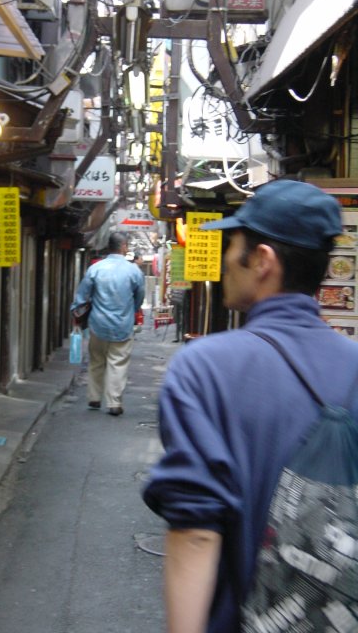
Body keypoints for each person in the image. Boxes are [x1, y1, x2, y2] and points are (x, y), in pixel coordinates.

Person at [142, 179, 358, 633]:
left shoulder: (204, 369)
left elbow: (197, 531)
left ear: (262, 261)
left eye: (232, 245)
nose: (224, 261)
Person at [71, 232, 145, 416]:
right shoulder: (133, 271)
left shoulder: (95, 268)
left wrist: (77, 313)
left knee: (96, 361)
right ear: (124, 247)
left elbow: (82, 296)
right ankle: (114, 402)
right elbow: (139, 297)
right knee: (118, 363)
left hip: (98, 324)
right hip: (123, 324)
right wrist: (130, 311)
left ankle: (94, 398)